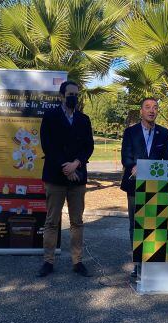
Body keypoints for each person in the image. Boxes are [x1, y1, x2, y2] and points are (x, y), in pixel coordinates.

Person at [38, 80, 94, 278]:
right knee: (52, 221)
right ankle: (48, 262)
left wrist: (76, 164)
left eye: (76, 94)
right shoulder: (51, 116)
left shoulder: (84, 119)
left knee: (77, 222)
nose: (74, 97)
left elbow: (88, 146)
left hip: (78, 177)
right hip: (55, 176)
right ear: (62, 96)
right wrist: (66, 167)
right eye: (70, 94)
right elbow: (48, 145)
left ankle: (77, 262)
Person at [120, 97, 168, 277]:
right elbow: (126, 158)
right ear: (141, 111)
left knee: (154, 225)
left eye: (155, 107)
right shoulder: (130, 132)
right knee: (135, 225)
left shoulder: (163, 133)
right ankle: (138, 264)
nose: (152, 110)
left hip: (156, 186)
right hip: (135, 185)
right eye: (148, 107)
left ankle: (152, 262)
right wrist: (134, 166)